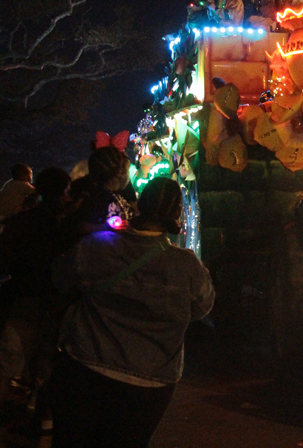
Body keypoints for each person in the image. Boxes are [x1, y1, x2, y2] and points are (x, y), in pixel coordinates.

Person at [49, 177, 215, 448]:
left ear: (140, 204)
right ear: (176, 214)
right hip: (150, 381)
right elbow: (202, 308)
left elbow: (60, 279)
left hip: (85, 365)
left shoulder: (97, 246)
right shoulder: (188, 267)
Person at [0, 167, 71, 411]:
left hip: (22, 295)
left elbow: (5, 258)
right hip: (56, 299)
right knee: (48, 357)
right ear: (65, 191)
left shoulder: (20, 221)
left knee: (12, 357)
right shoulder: (69, 225)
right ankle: (40, 412)